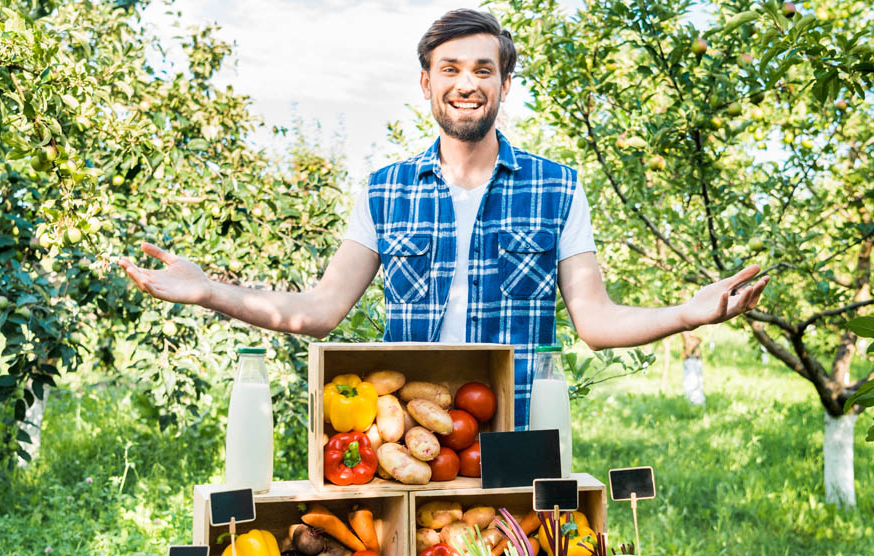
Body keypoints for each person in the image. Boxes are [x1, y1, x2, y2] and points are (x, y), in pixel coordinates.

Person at [118, 8, 768, 426]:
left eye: (484, 69)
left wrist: (688, 313)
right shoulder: (385, 190)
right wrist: (207, 292)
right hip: (411, 424)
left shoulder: (557, 186)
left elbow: (595, 322)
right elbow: (317, 311)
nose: (467, 81)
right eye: (449, 68)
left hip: (519, 429)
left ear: (504, 86)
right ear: (425, 83)